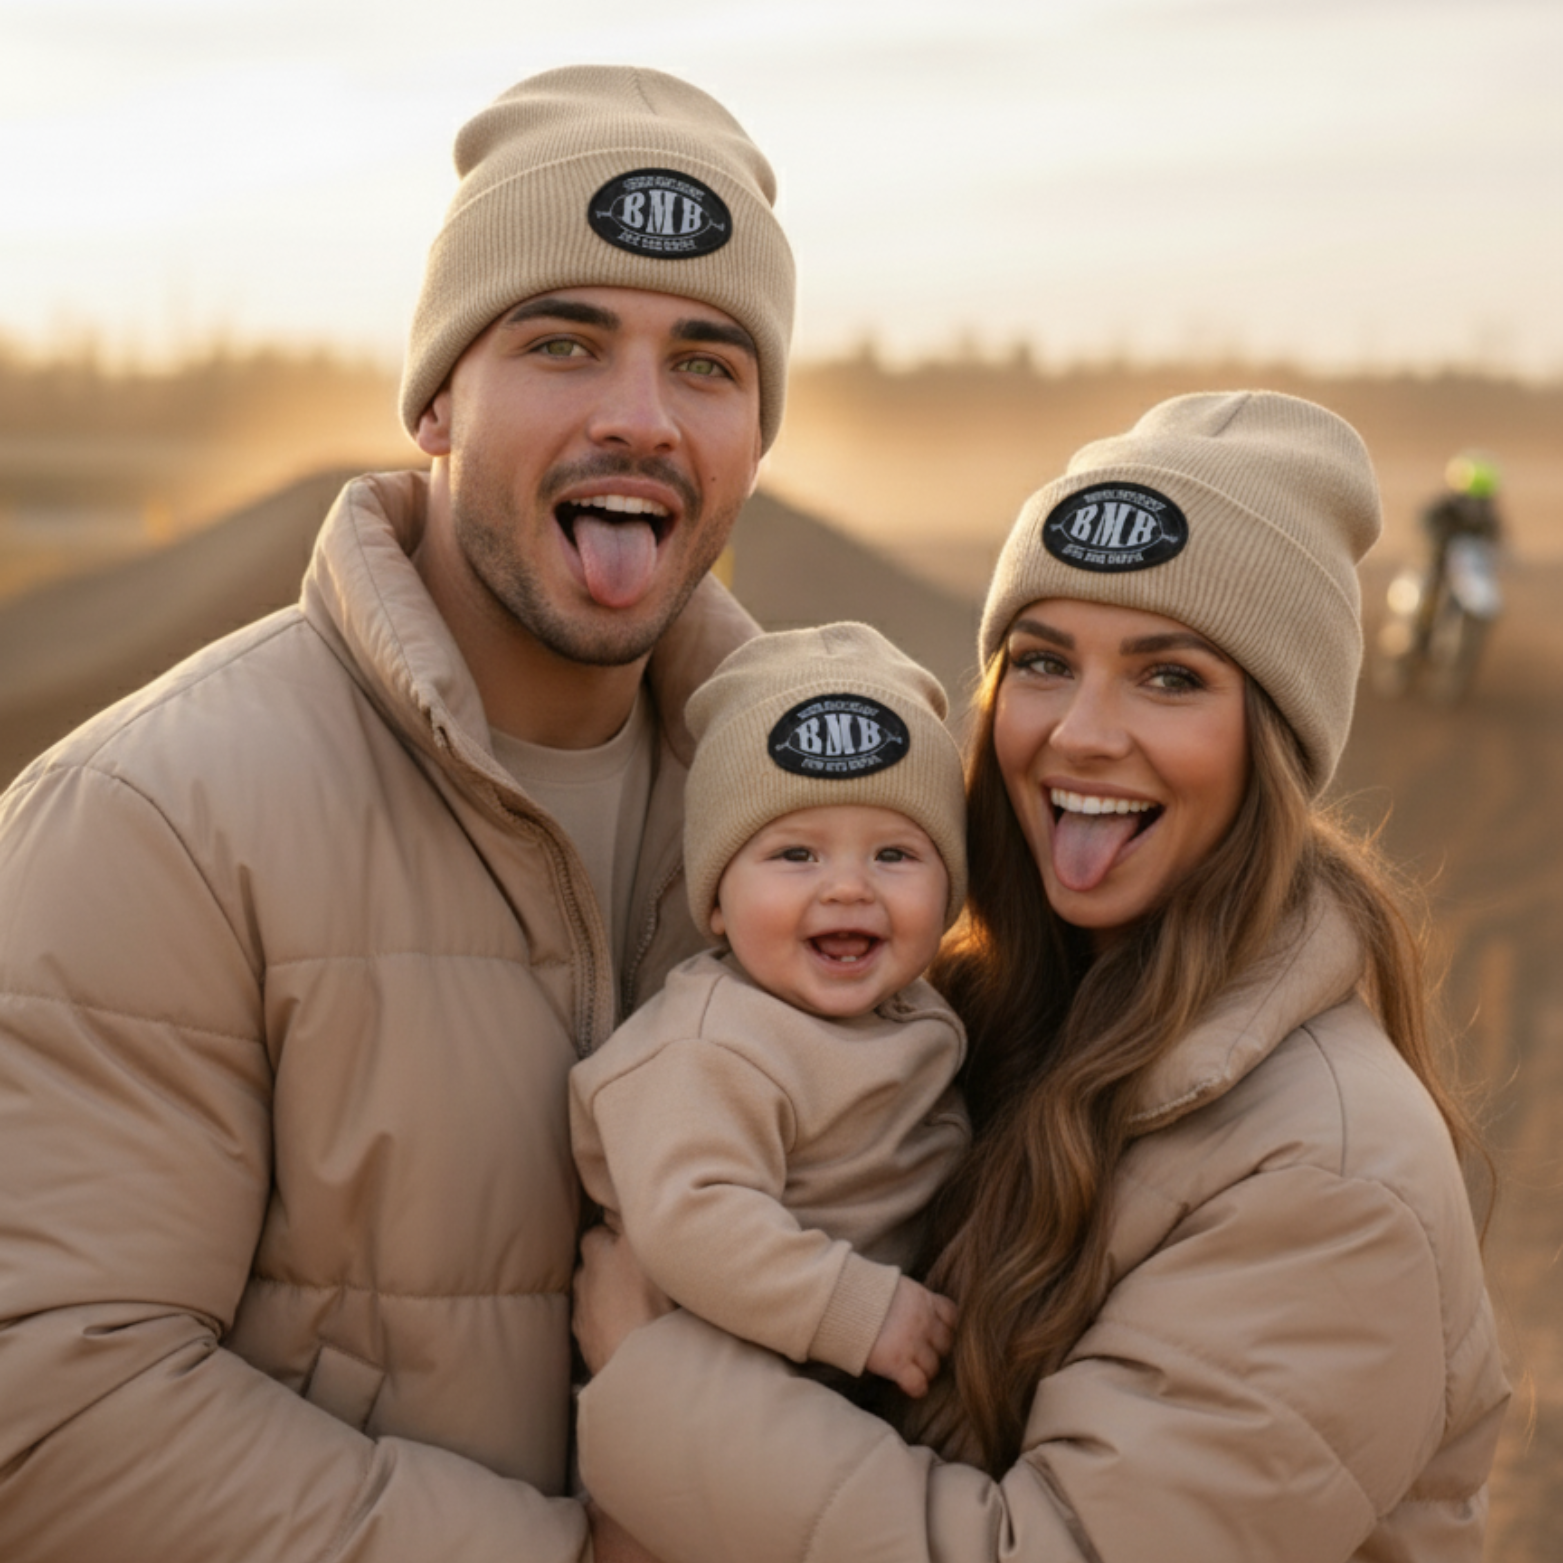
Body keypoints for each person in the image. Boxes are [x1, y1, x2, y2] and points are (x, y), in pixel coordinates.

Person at [0, 65, 792, 1562]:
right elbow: (50, 1408)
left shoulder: (849, 832)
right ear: (435, 396)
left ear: (757, 434)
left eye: (705, 363)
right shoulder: (150, 817)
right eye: (562, 342)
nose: (640, 418)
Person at [572, 391, 1511, 1562]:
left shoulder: (1331, 1174)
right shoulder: (975, 1015)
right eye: (1045, 663)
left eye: (1170, 678)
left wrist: (649, 1375)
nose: (1080, 732)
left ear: (1276, 738)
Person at [570, 623, 969, 1403]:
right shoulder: (711, 1040)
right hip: (711, 1402)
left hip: (846, 1397)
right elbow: (692, 1219)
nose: (848, 888)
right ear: (716, 898)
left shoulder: (923, 1013)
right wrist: (863, 1309)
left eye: (894, 854)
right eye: (796, 855)